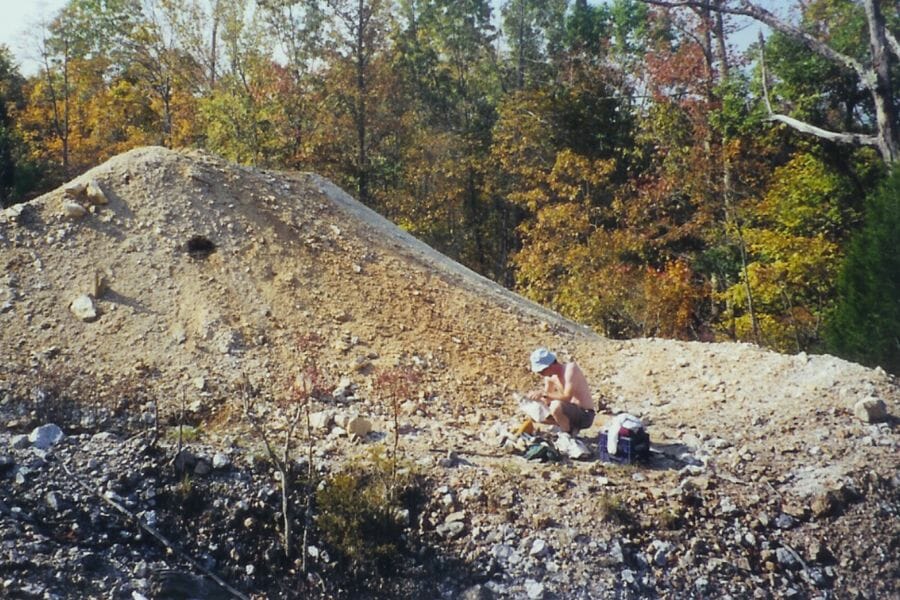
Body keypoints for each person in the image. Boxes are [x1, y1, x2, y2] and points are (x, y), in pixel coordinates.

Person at [527, 348, 596, 434]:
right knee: (534, 412)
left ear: (550, 365)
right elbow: (546, 400)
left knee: (556, 406)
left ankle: (568, 433)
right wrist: (535, 400)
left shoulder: (570, 369)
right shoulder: (549, 377)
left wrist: (543, 394)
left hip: (585, 414)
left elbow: (567, 397)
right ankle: (566, 426)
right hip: (568, 414)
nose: (540, 373)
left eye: (542, 370)